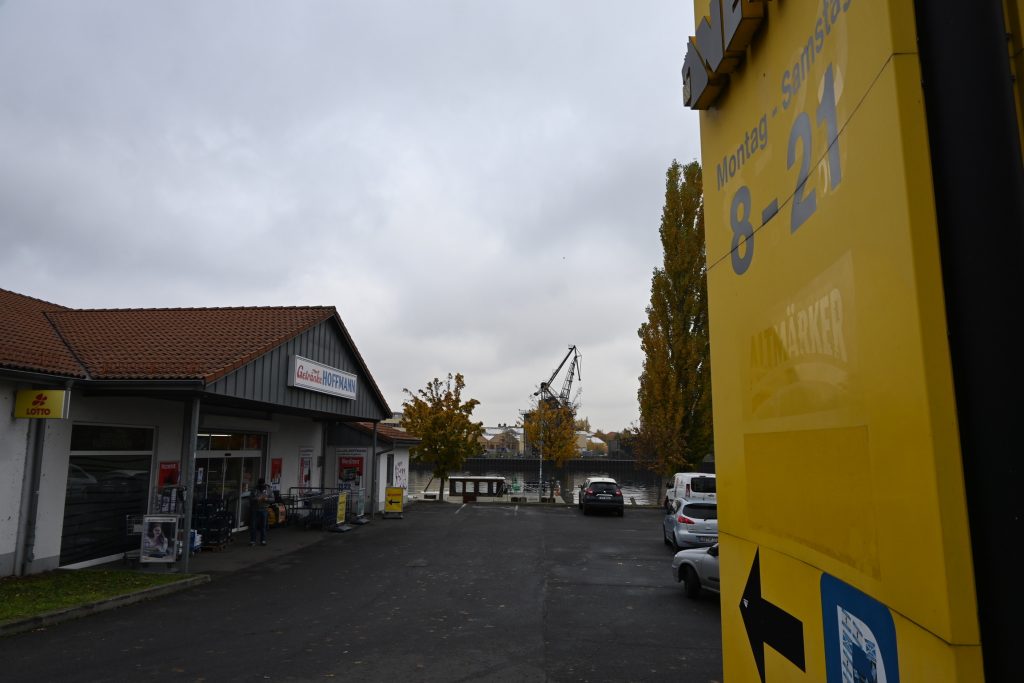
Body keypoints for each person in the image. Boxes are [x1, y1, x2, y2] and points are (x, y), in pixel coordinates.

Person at [250, 478, 271, 546]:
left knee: (263, 526)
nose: (261, 485)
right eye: (260, 484)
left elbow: (273, 498)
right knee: (253, 526)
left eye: (262, 484)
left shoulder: (268, 489)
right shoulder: (255, 489)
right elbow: (250, 498)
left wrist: (267, 499)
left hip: (264, 509)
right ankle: (253, 540)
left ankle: (263, 540)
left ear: (264, 483)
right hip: (255, 509)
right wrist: (257, 499)